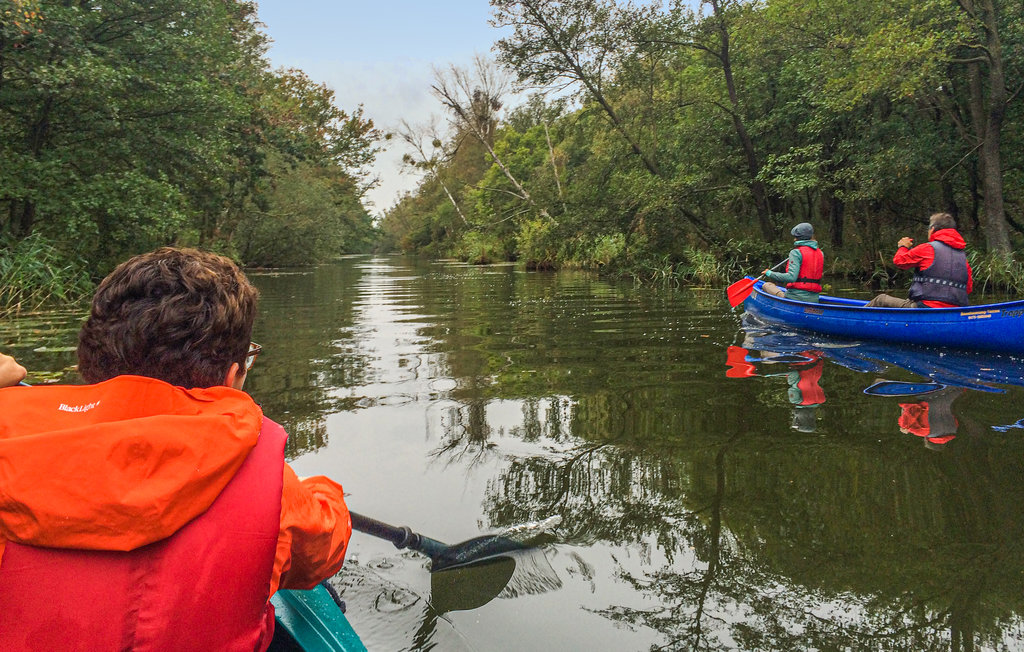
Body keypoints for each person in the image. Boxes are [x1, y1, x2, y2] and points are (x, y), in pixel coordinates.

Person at [0, 248, 352, 651]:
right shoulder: (274, 485)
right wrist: (317, 489)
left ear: (89, 362)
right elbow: (324, 553)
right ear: (234, 375)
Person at [865, 212, 973, 308]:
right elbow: (968, 288)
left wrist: (903, 247)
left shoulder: (928, 248)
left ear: (932, 229)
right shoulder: (963, 257)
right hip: (954, 312)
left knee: (881, 299)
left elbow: (899, 261)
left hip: (925, 309)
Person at [760, 222, 824, 303]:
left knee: (766, 285)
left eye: (796, 237)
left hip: (794, 298)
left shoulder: (796, 252)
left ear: (798, 238)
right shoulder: (820, 253)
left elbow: (791, 277)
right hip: (814, 300)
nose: (794, 239)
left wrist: (770, 273)